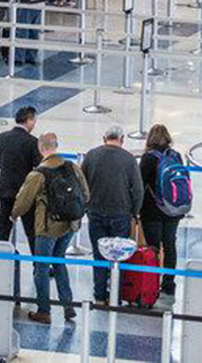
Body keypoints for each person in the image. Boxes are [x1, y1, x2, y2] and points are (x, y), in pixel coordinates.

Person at [12, 132, 89, 324]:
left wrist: (13, 214)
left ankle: (44, 311)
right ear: (56, 145)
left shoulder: (38, 174)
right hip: (70, 225)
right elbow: (86, 194)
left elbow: (23, 202)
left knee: (42, 267)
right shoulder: (73, 167)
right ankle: (68, 306)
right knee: (59, 261)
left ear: (40, 148)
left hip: (47, 227)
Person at [81, 124, 143, 305]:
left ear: (103, 138)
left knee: (99, 255)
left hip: (95, 213)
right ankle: (115, 294)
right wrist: (135, 212)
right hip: (121, 215)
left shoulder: (91, 155)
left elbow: (82, 183)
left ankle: (99, 295)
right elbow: (138, 190)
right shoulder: (129, 159)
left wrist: (86, 206)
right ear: (122, 140)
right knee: (119, 256)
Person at [139, 124, 188, 298]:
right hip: (173, 209)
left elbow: (140, 184)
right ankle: (169, 283)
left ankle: (151, 283)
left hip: (152, 210)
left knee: (153, 248)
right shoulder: (176, 156)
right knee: (170, 244)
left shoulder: (148, 158)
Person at [0, 107, 42, 245]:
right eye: (34, 121)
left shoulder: (1, 137)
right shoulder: (32, 141)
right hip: (25, 192)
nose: (34, 125)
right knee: (31, 230)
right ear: (29, 120)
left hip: (5, 190)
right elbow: (37, 166)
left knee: (3, 229)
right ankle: (38, 264)